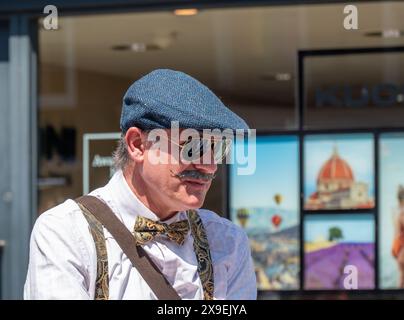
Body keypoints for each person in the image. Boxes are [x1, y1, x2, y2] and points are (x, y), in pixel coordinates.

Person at [24, 69, 257, 300]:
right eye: (194, 147)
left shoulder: (228, 241)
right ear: (137, 145)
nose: (209, 166)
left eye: (219, 149)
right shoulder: (65, 233)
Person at [392, 185, 404, 288]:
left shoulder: (396, 212)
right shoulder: (402, 214)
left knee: (401, 276)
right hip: (402, 249)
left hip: (397, 247)